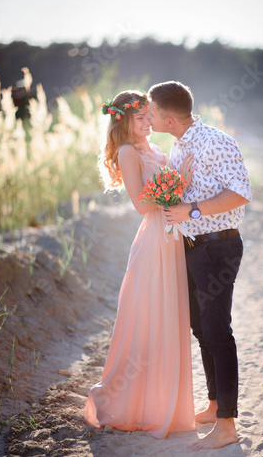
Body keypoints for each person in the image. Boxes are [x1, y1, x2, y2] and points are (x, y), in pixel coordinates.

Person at [84, 90, 196, 439]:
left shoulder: (156, 150)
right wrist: (182, 181)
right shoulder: (128, 152)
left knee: (170, 317)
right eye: (141, 117)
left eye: (149, 116)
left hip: (172, 237)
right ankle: (130, 402)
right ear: (124, 121)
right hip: (153, 240)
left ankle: (166, 404)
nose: (149, 122)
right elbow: (140, 204)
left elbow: (168, 195)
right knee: (149, 318)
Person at [148, 81, 252, 450]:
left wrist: (191, 210)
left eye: (152, 112)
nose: (148, 116)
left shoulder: (214, 140)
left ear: (170, 118)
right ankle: (213, 405)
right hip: (192, 248)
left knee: (218, 331)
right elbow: (185, 192)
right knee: (202, 329)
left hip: (217, 248)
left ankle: (227, 426)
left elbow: (240, 192)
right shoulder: (180, 144)